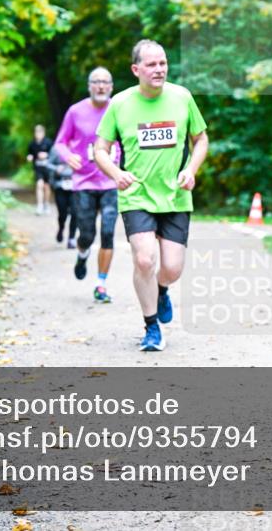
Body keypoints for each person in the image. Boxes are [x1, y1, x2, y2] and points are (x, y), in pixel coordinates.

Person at [93, 40, 208, 351]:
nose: (159, 69)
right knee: (144, 259)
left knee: (171, 268)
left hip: (175, 195)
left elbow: (201, 139)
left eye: (163, 63)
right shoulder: (120, 103)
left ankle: (161, 289)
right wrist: (117, 174)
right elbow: (99, 150)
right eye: (152, 64)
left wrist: (191, 169)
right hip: (137, 194)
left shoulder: (182, 97)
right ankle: (151, 327)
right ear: (136, 69)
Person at [54, 67, 120, 303]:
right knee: (87, 234)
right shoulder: (76, 111)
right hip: (83, 181)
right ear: (89, 85)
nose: (101, 86)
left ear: (111, 86)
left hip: (111, 180)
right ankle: (83, 253)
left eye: (105, 82)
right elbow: (60, 142)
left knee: (109, 233)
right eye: (96, 82)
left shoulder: (119, 109)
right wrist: (67, 156)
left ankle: (101, 284)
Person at [42, 149, 78, 247]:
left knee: (75, 213)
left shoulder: (78, 144)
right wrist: (57, 168)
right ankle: (61, 228)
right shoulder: (56, 148)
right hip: (60, 185)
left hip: (75, 186)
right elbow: (47, 164)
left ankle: (71, 238)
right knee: (63, 214)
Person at [26, 124, 53, 215]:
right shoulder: (32, 144)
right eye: (36, 132)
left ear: (43, 133)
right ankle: (39, 205)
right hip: (38, 168)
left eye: (40, 132)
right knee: (39, 185)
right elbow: (30, 154)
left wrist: (47, 155)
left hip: (48, 168)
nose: (38, 134)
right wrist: (30, 157)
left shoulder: (48, 142)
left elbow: (54, 155)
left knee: (46, 187)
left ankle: (46, 204)